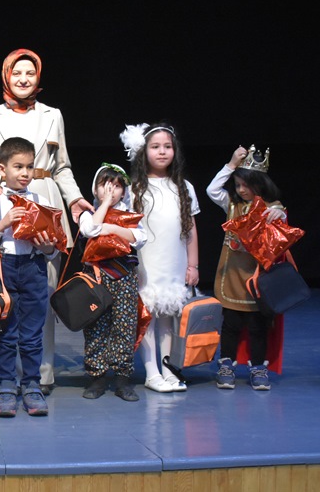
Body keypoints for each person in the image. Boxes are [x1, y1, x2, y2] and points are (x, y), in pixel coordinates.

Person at [0, 49, 92, 393]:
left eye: (30, 73)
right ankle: (9, 375)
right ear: (6, 76)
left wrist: (74, 198)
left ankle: (41, 372)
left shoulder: (52, 115)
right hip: (6, 200)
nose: (23, 79)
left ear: (38, 77)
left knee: (44, 292)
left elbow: (62, 166)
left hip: (45, 200)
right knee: (9, 296)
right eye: (17, 73)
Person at [0, 137, 58, 417]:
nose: (25, 173)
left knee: (33, 333)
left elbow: (52, 250)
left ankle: (32, 385)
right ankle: (7, 386)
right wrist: (3, 224)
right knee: (7, 333)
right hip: (5, 269)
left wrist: (46, 245)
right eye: (18, 166)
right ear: (2, 169)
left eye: (30, 167)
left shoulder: (41, 201)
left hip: (34, 268)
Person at [121, 123, 200, 393]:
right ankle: (151, 372)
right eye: (155, 147)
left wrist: (193, 264)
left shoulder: (184, 187)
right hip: (147, 261)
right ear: (144, 152)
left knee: (167, 315)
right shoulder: (135, 188)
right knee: (148, 314)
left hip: (174, 260)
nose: (162, 152)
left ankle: (167, 368)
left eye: (167, 146)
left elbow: (190, 228)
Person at [206, 145, 286, 391]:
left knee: (257, 327)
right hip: (232, 277)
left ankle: (258, 367)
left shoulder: (273, 207)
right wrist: (231, 165)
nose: (241, 190)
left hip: (257, 279)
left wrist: (278, 216)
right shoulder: (232, 205)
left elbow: (282, 224)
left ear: (260, 183)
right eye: (238, 184)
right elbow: (212, 190)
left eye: (247, 185)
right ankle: (226, 366)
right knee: (230, 325)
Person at [78, 163, 146, 402]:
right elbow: (90, 230)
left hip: (124, 276)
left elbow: (139, 237)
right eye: (105, 186)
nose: (111, 191)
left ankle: (122, 378)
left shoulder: (129, 215)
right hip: (96, 277)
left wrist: (110, 228)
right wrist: (105, 205)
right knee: (95, 326)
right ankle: (97, 376)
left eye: (117, 186)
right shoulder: (88, 212)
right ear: (95, 189)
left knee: (124, 326)